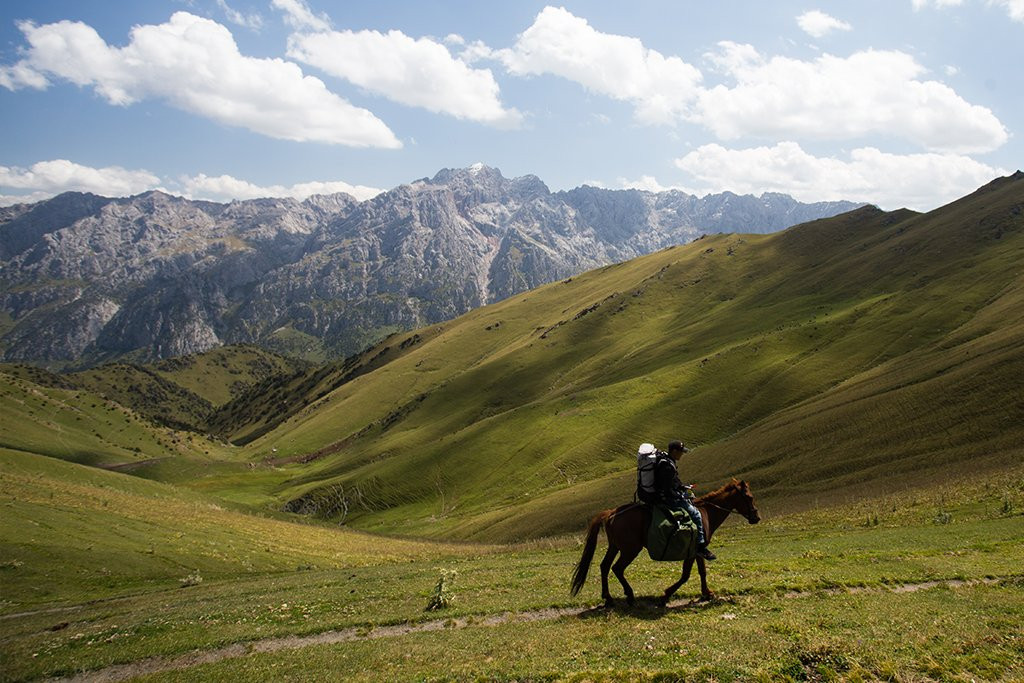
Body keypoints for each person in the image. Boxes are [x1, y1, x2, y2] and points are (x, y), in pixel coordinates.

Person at [654, 440, 716, 561]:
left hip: (668, 495)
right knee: (696, 515)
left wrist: (684, 487)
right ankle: (701, 547)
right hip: (668, 499)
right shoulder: (667, 466)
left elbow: (673, 482)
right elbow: (667, 489)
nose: (682, 455)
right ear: (674, 451)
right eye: (681, 452)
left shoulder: (668, 461)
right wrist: (681, 496)